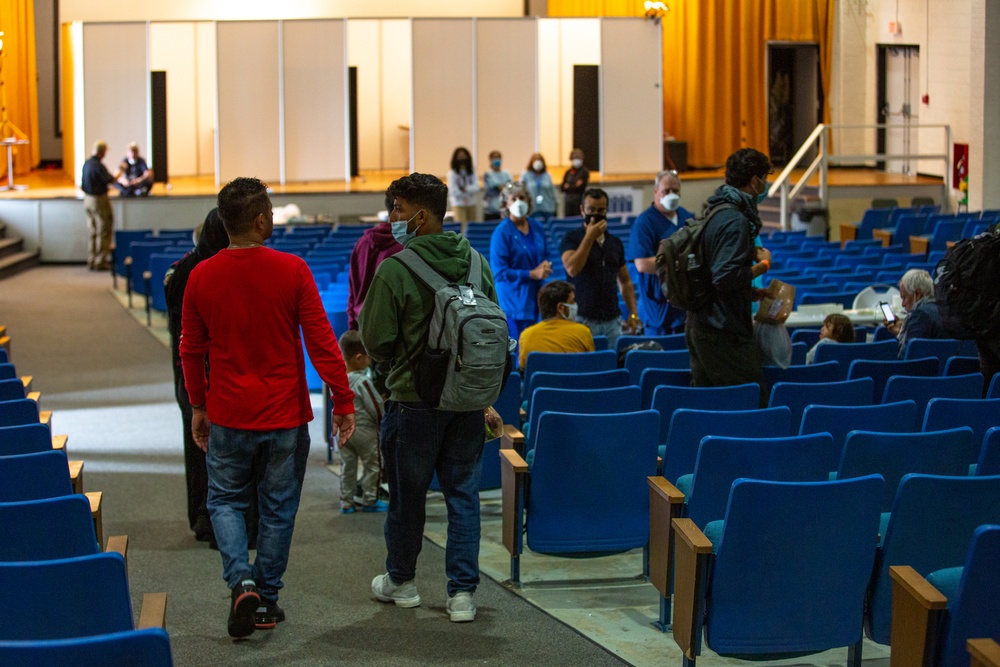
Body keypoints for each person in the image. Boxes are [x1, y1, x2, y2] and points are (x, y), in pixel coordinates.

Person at [180, 177, 356, 639]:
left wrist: (198, 405)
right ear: (260, 220)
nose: (274, 217)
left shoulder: (201, 276)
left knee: (224, 500)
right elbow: (322, 343)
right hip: (283, 416)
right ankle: (268, 597)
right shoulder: (292, 270)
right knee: (278, 510)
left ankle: (241, 583)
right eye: (272, 211)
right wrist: (343, 400)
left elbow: (190, 349)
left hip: (228, 414)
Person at [359, 172, 496, 623]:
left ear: (420, 215)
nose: (391, 218)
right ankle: (462, 595)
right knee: (463, 496)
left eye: (396, 209)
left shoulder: (396, 268)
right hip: (467, 403)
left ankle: (402, 582)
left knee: (407, 496)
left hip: (414, 402)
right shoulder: (477, 262)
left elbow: (375, 340)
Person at [165, 209, 260, 549]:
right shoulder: (213, 272)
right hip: (214, 375)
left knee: (202, 452)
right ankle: (233, 523)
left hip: (190, 375)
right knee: (231, 454)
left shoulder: (182, 271)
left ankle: (207, 519)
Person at [685, 148, 774, 404]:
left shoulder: (716, 210)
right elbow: (724, 277)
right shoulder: (734, 219)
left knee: (711, 408)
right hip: (722, 331)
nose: (765, 185)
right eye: (763, 179)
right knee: (750, 402)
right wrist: (762, 266)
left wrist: (748, 291)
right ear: (755, 180)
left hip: (703, 323)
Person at [559, 187, 640, 351]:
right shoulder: (571, 238)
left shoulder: (614, 243)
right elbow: (572, 268)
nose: (596, 214)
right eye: (591, 210)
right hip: (582, 319)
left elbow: (625, 281)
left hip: (612, 321)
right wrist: (589, 237)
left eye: (601, 210)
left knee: (610, 365)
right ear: (582, 210)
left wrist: (633, 314)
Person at [627, 170, 695, 334]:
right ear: (656, 192)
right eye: (666, 191)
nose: (672, 195)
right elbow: (642, 264)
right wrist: (679, 263)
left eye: (676, 191)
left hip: (686, 306)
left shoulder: (687, 218)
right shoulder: (645, 222)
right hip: (658, 308)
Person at [489, 181, 551, 343]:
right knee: (518, 347)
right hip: (513, 301)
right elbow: (500, 272)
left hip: (535, 297)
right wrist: (532, 273)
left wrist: (545, 265)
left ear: (528, 201)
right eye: (513, 199)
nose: (518, 202)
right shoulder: (501, 233)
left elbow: (545, 253)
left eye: (522, 197)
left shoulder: (537, 227)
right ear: (506, 204)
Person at [336, 330, 386, 514]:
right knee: (374, 464)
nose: (370, 360)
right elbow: (375, 406)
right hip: (365, 431)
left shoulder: (338, 379)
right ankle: (370, 499)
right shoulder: (363, 382)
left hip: (343, 431)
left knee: (347, 466)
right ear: (359, 358)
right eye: (368, 357)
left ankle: (346, 501)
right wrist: (382, 421)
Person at [346, 193, 403, 331]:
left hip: (363, 326)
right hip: (392, 332)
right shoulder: (405, 247)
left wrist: (353, 328)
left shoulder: (362, 243)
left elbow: (353, 292)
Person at [517, 280, 595, 369]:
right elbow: (590, 367)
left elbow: (524, 370)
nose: (575, 305)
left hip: (542, 383)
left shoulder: (526, 336)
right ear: (561, 308)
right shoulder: (583, 332)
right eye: (572, 301)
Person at [884, 268, 945, 358]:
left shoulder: (920, 315)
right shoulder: (947, 310)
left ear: (917, 294)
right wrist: (901, 332)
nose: (903, 304)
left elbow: (908, 357)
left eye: (904, 298)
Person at [81, 140, 115, 270]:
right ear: (101, 152)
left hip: (87, 200)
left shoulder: (87, 164)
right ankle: (100, 260)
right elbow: (109, 179)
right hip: (98, 200)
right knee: (103, 228)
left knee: (92, 230)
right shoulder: (98, 166)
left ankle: (92, 258)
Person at [520, 152, 557, 223]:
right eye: (536, 160)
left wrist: (555, 205)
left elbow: (552, 191)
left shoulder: (547, 175)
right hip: (532, 209)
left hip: (547, 208)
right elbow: (521, 190)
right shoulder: (525, 174)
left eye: (540, 160)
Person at [446, 146, 479, 226]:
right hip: (458, 204)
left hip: (471, 203)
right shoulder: (452, 174)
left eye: (464, 155)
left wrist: (464, 189)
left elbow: (476, 188)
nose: (462, 158)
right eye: (459, 156)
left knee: (472, 226)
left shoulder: (472, 173)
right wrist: (467, 191)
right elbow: (454, 192)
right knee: (462, 227)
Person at [482, 150, 512, 221]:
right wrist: (502, 187)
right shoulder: (487, 174)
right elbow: (491, 189)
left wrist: (501, 187)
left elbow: (511, 188)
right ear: (490, 160)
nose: (497, 160)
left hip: (505, 209)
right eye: (494, 158)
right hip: (490, 210)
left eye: (498, 157)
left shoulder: (507, 174)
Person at [560, 148, 590, 216]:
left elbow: (580, 187)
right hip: (568, 202)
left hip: (579, 201)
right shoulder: (568, 172)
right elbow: (562, 187)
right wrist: (574, 185)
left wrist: (569, 186)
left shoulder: (584, 172)